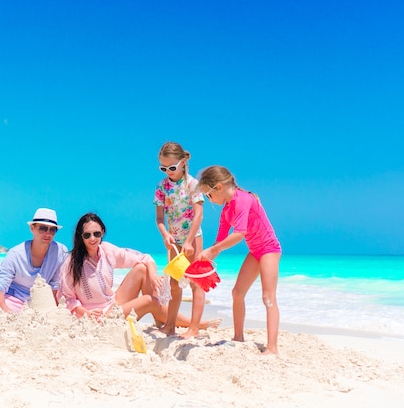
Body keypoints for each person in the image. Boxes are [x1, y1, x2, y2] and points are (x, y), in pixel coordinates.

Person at [58, 212, 219, 331]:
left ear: (102, 233)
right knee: (149, 300)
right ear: (80, 237)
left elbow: (146, 258)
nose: (93, 238)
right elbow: (65, 297)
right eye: (87, 235)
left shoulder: (107, 250)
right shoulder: (71, 261)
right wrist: (85, 313)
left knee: (142, 269)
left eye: (97, 234)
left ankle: (159, 315)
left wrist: (154, 277)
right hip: (95, 316)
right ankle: (193, 323)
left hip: (112, 304)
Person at [196, 166, 282, 355]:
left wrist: (213, 250)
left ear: (218, 187)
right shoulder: (226, 210)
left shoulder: (243, 199)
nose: (209, 200)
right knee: (237, 293)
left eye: (208, 195)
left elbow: (239, 234)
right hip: (255, 251)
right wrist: (204, 261)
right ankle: (238, 337)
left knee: (268, 298)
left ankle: (272, 348)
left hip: (269, 249)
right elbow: (220, 241)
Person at [154, 141, 207, 338]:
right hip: (174, 242)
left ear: (183, 162)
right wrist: (165, 234)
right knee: (175, 284)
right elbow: (160, 218)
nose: (168, 171)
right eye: (163, 168)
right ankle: (170, 325)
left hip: (192, 240)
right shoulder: (162, 187)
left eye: (172, 167)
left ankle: (194, 328)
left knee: (196, 282)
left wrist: (189, 241)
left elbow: (199, 215)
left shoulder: (193, 185)